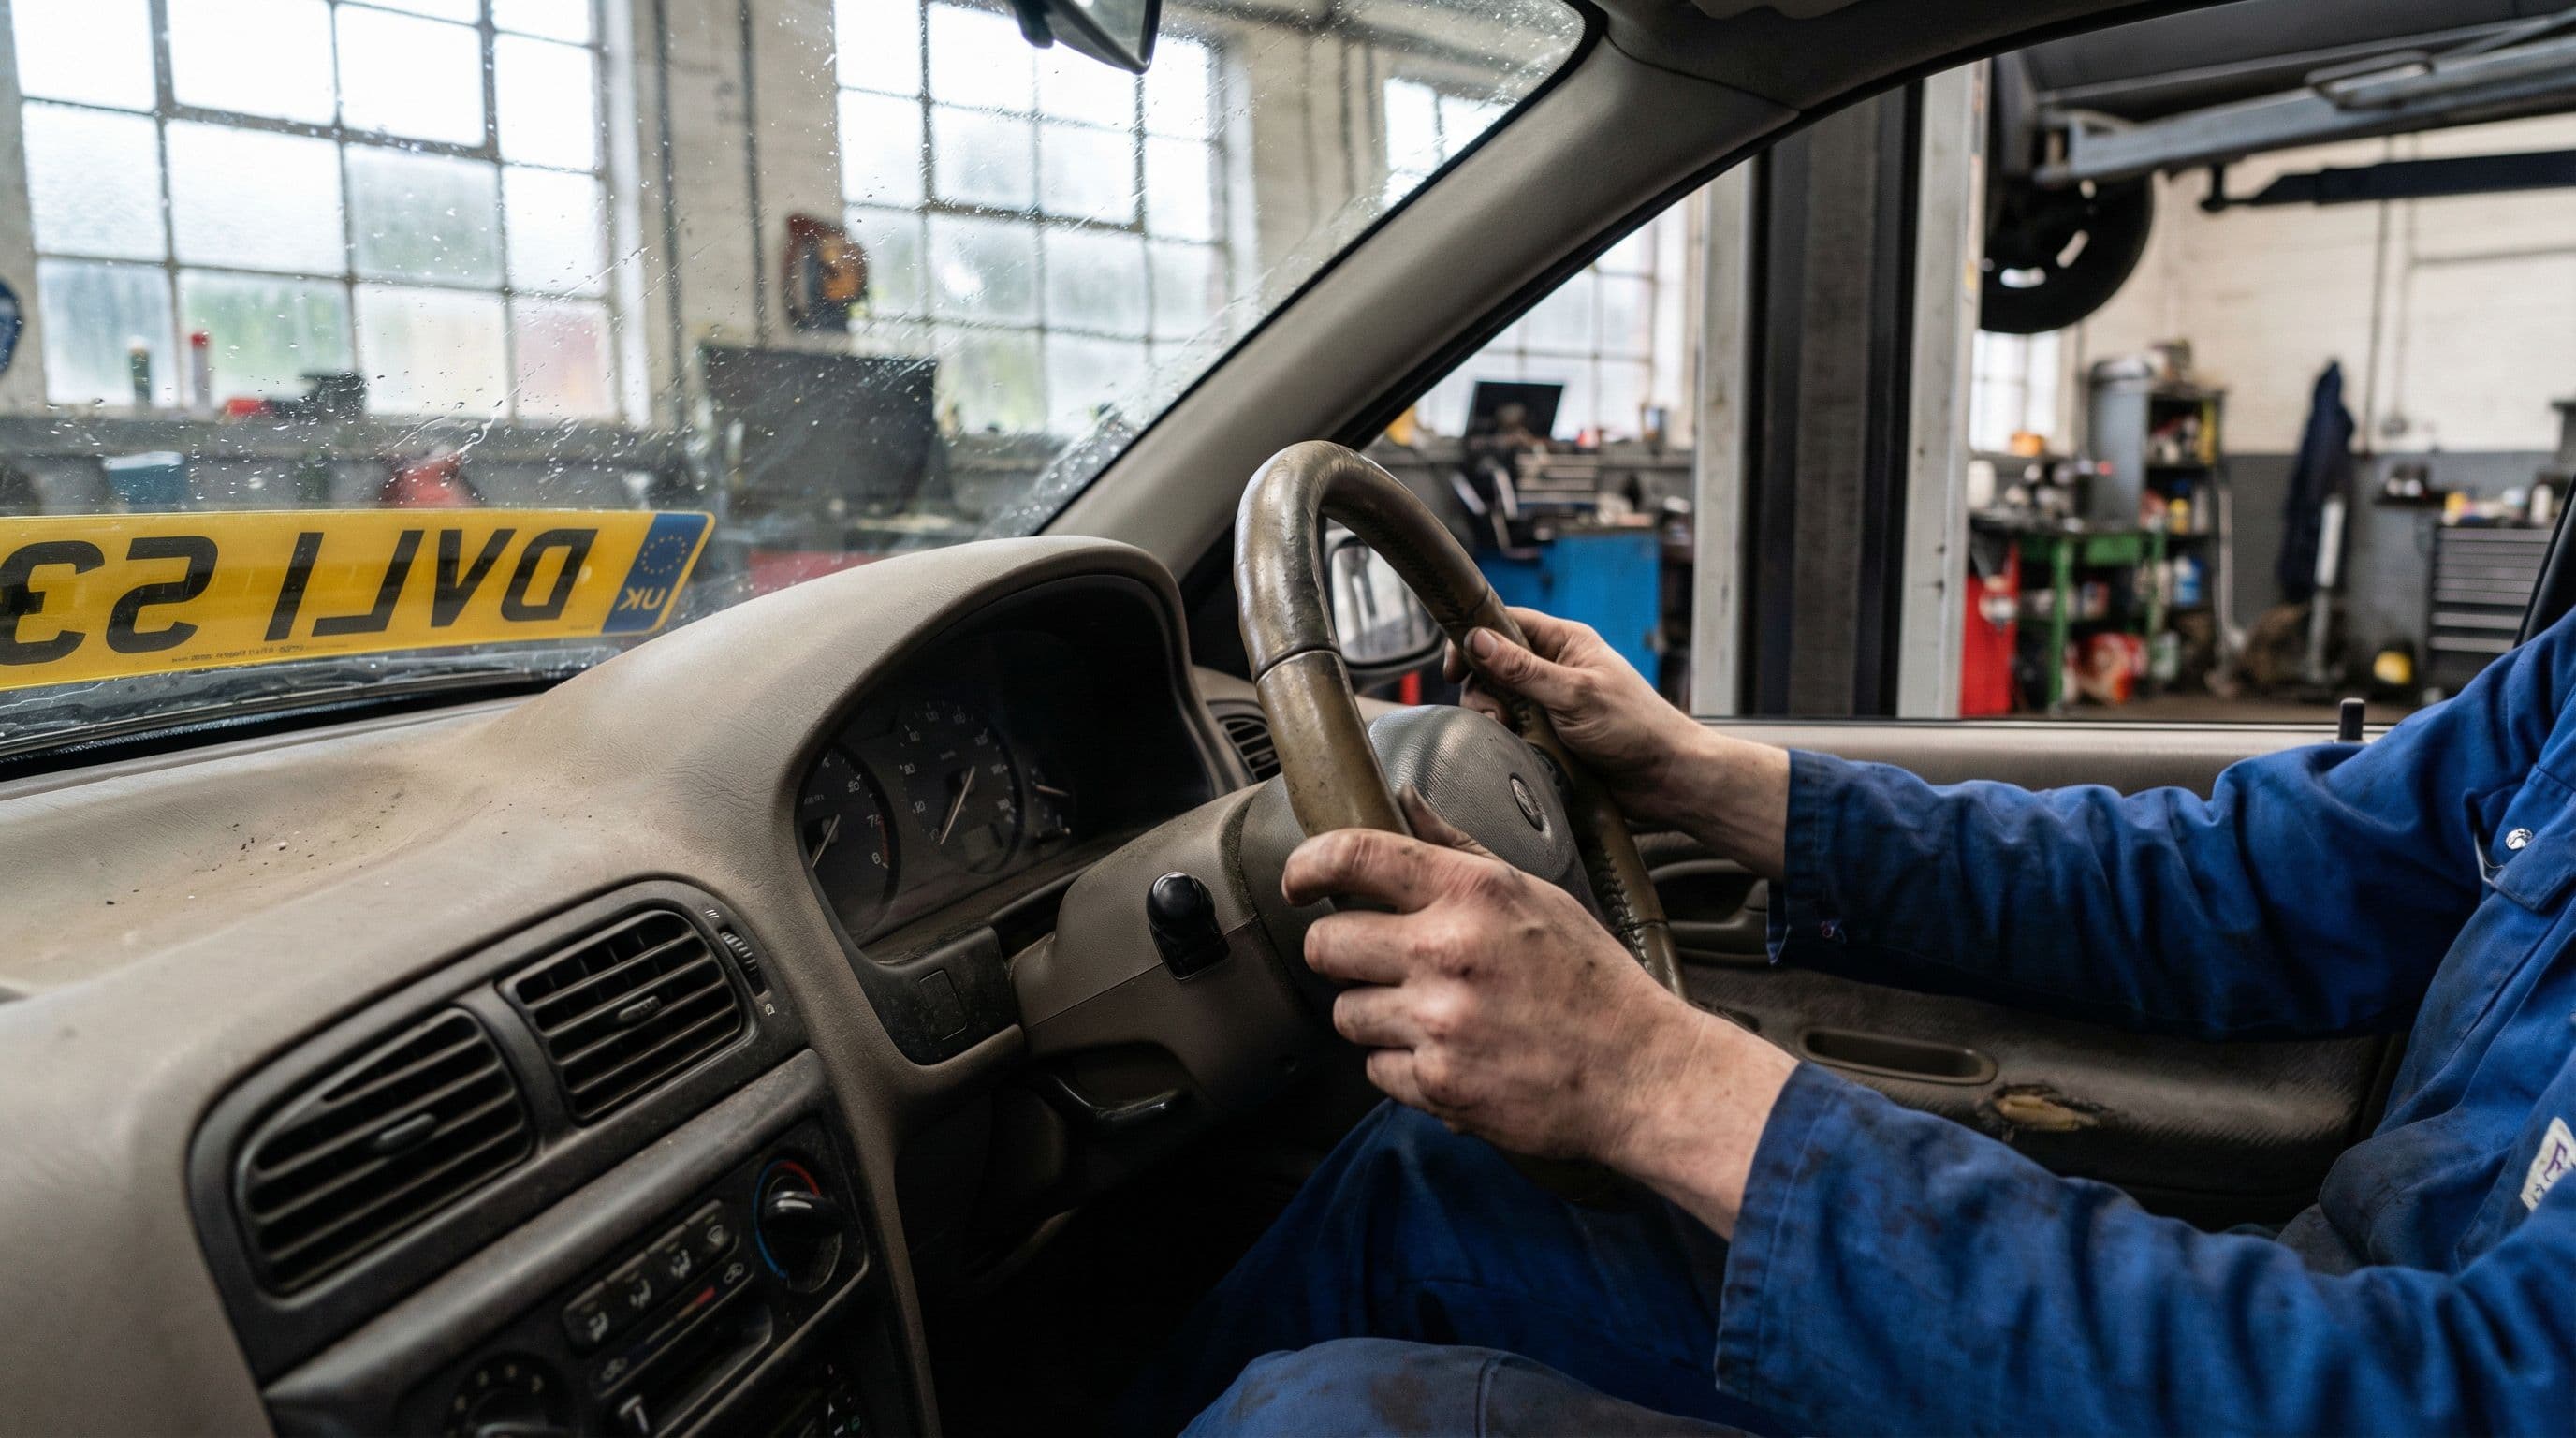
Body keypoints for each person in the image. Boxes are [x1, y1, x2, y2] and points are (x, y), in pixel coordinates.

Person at [1119, 608, 2576, 1437]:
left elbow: (2445, 1405)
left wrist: (1653, 1078)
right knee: (1428, 1185)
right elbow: (2239, 883)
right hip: (2280, 1327)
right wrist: (1714, 781)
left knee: (1317, 1429)